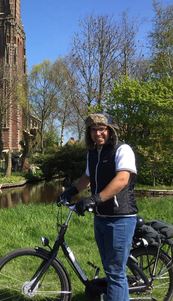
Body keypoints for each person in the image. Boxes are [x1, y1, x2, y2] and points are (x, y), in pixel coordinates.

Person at [57, 112, 138, 301]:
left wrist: (94, 200)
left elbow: (122, 179)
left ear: (110, 131)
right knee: (111, 271)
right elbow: (87, 177)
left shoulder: (122, 150)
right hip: (101, 218)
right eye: (93, 130)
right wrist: (71, 192)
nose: (98, 133)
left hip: (120, 218)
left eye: (102, 129)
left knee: (116, 273)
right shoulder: (92, 154)